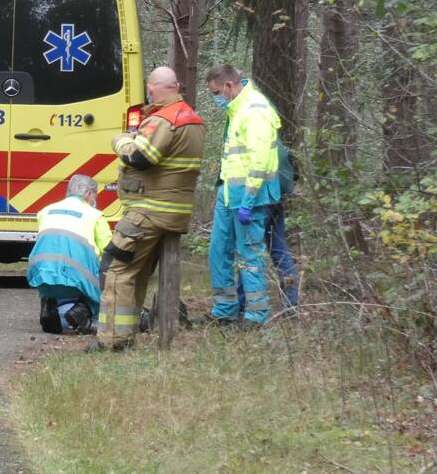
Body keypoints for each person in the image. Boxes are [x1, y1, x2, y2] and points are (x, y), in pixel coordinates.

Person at [90, 66, 205, 352]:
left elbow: (141, 157)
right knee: (136, 273)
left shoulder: (164, 120)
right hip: (172, 210)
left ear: (156, 87)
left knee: (115, 270)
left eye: (150, 87)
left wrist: (121, 141)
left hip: (148, 212)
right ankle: (125, 336)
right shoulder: (193, 119)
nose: (148, 92)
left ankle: (112, 342)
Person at [205, 63, 282, 328]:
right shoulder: (237, 110)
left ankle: (256, 315)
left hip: (249, 198)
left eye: (217, 92)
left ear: (229, 85)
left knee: (249, 256)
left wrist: (248, 201)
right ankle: (225, 309)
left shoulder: (255, 110)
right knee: (218, 251)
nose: (217, 98)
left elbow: (259, 161)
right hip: (228, 194)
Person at [27, 175, 112, 335]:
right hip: (75, 277)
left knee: (56, 275)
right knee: (103, 280)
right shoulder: (94, 216)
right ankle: (87, 316)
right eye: (94, 195)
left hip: (41, 275)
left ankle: (50, 305)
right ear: (88, 194)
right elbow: (108, 251)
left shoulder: (46, 211)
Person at [236, 137, 300, 312]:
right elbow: (294, 171)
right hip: (278, 196)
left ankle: (242, 304)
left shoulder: (255, 137)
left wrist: (246, 201)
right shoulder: (275, 139)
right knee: (279, 249)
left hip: (261, 198)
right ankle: (291, 303)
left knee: (249, 250)